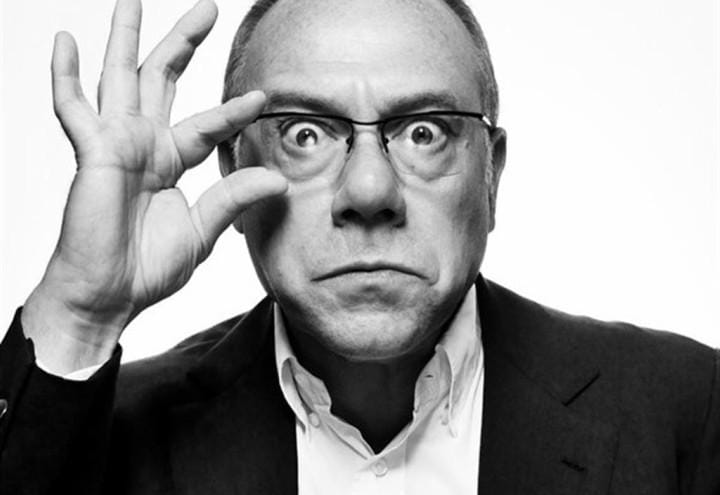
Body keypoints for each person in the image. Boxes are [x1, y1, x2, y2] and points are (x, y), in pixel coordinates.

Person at [0, 0, 717, 493]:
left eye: (424, 132)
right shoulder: (107, 435)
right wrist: (79, 315)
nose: (370, 190)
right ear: (233, 173)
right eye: (305, 133)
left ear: (491, 175)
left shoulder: (687, 409)